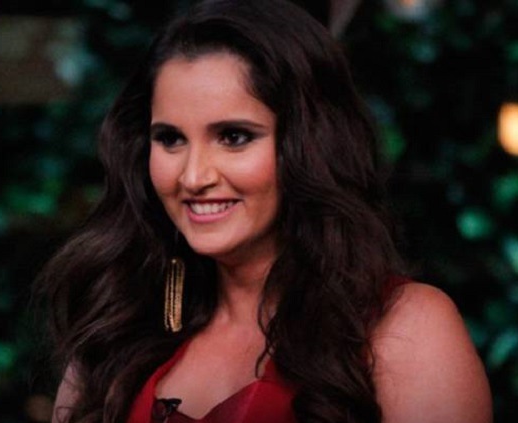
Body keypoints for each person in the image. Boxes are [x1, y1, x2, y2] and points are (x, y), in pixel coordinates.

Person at [38, 0, 492, 422]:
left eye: (233, 137)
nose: (193, 176)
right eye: (171, 139)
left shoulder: (405, 327)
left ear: (308, 147)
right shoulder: (116, 333)